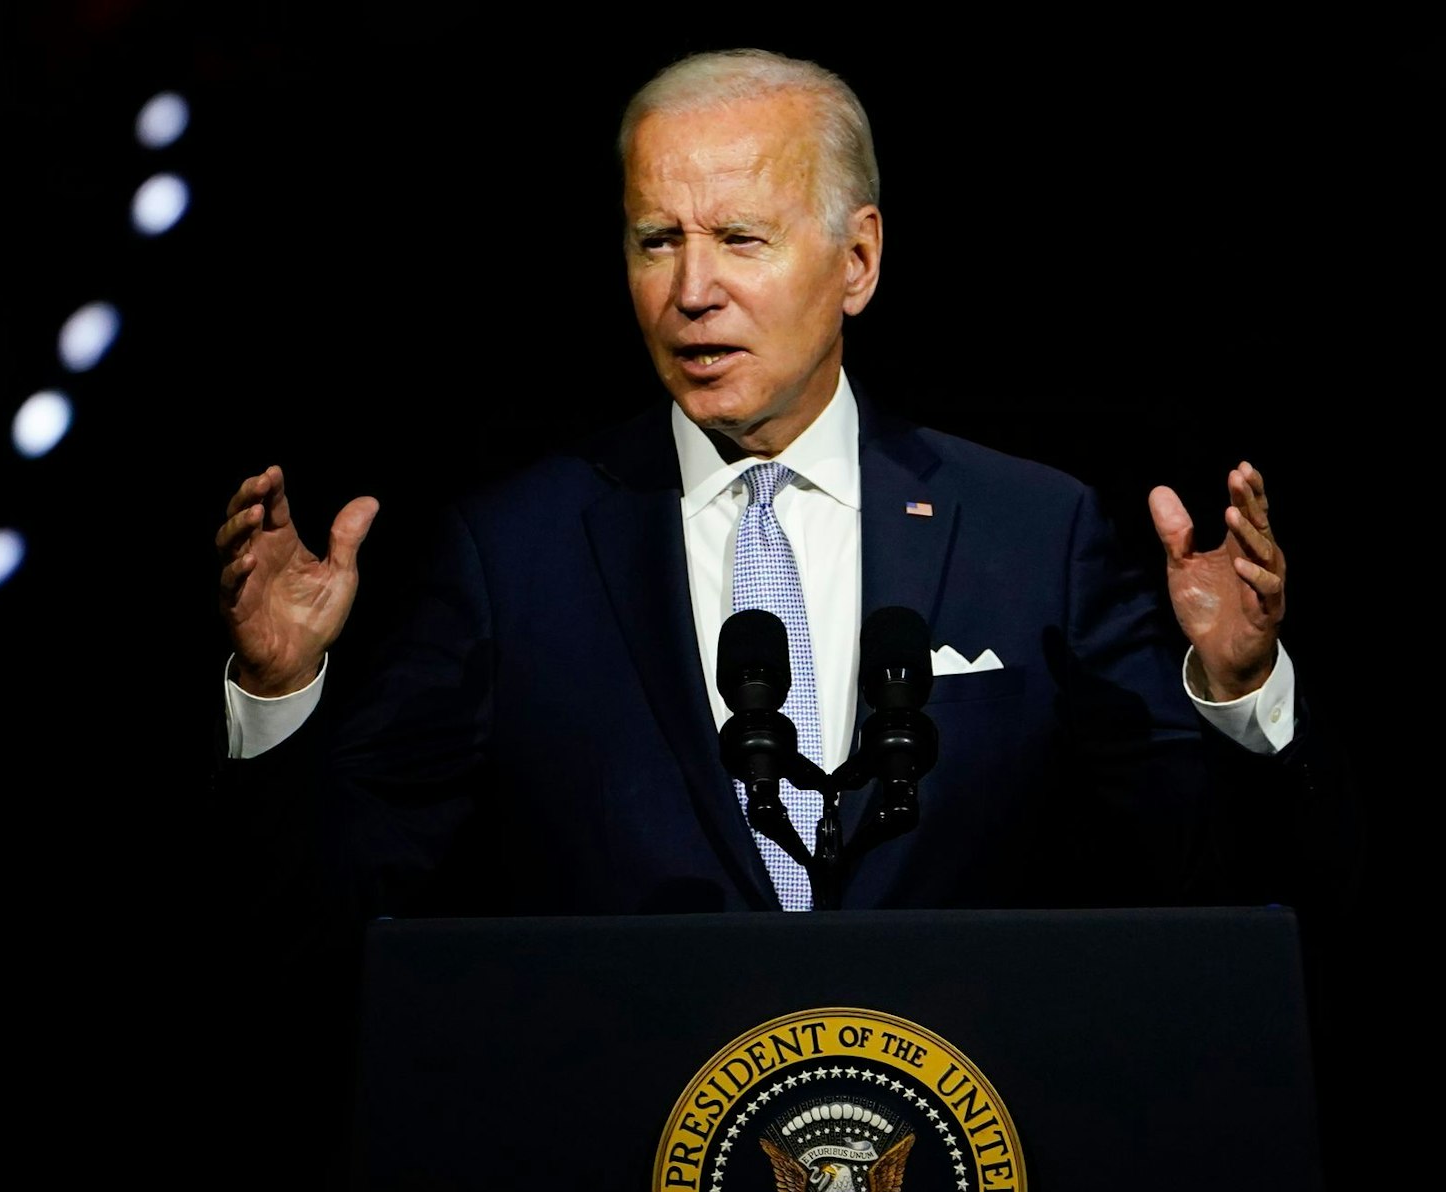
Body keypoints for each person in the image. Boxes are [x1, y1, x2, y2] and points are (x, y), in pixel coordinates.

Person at [211, 48, 1352, 921]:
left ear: (856, 259)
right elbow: (330, 901)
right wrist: (281, 689)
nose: (691, 288)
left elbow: (1201, 877)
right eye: (655, 239)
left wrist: (1238, 686)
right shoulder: (513, 552)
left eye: (741, 238)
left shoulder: (1027, 532)